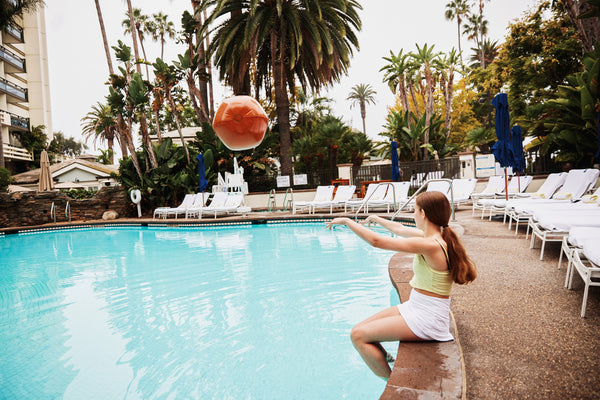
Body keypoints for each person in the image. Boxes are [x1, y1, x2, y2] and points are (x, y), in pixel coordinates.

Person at [325, 191, 477, 379]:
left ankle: (390, 381)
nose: (413, 214)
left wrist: (348, 222)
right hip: (417, 306)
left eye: (414, 210)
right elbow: (398, 228)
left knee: (358, 335)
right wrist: (375, 218)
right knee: (362, 326)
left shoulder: (431, 244)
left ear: (423, 214)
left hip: (428, 318)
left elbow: (376, 241)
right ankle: (386, 359)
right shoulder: (438, 236)